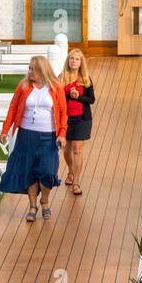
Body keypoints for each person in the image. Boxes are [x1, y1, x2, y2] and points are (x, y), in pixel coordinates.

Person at [0, 56, 67, 222]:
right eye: (29, 68)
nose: (29, 72)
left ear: (42, 70)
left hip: (48, 136)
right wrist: (5, 130)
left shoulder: (56, 87)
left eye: (32, 69)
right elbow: (13, 108)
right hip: (26, 135)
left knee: (47, 171)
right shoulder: (23, 86)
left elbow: (63, 113)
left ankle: (44, 200)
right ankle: (32, 206)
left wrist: (62, 134)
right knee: (29, 171)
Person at [62, 48, 95, 196]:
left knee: (77, 149)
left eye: (77, 59)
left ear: (81, 63)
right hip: (66, 119)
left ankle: (76, 182)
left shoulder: (86, 79)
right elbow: (57, 99)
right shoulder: (61, 79)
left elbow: (91, 100)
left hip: (82, 119)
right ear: (68, 61)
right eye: (71, 58)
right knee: (66, 149)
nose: (73, 61)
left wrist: (78, 97)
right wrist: (69, 95)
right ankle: (70, 171)